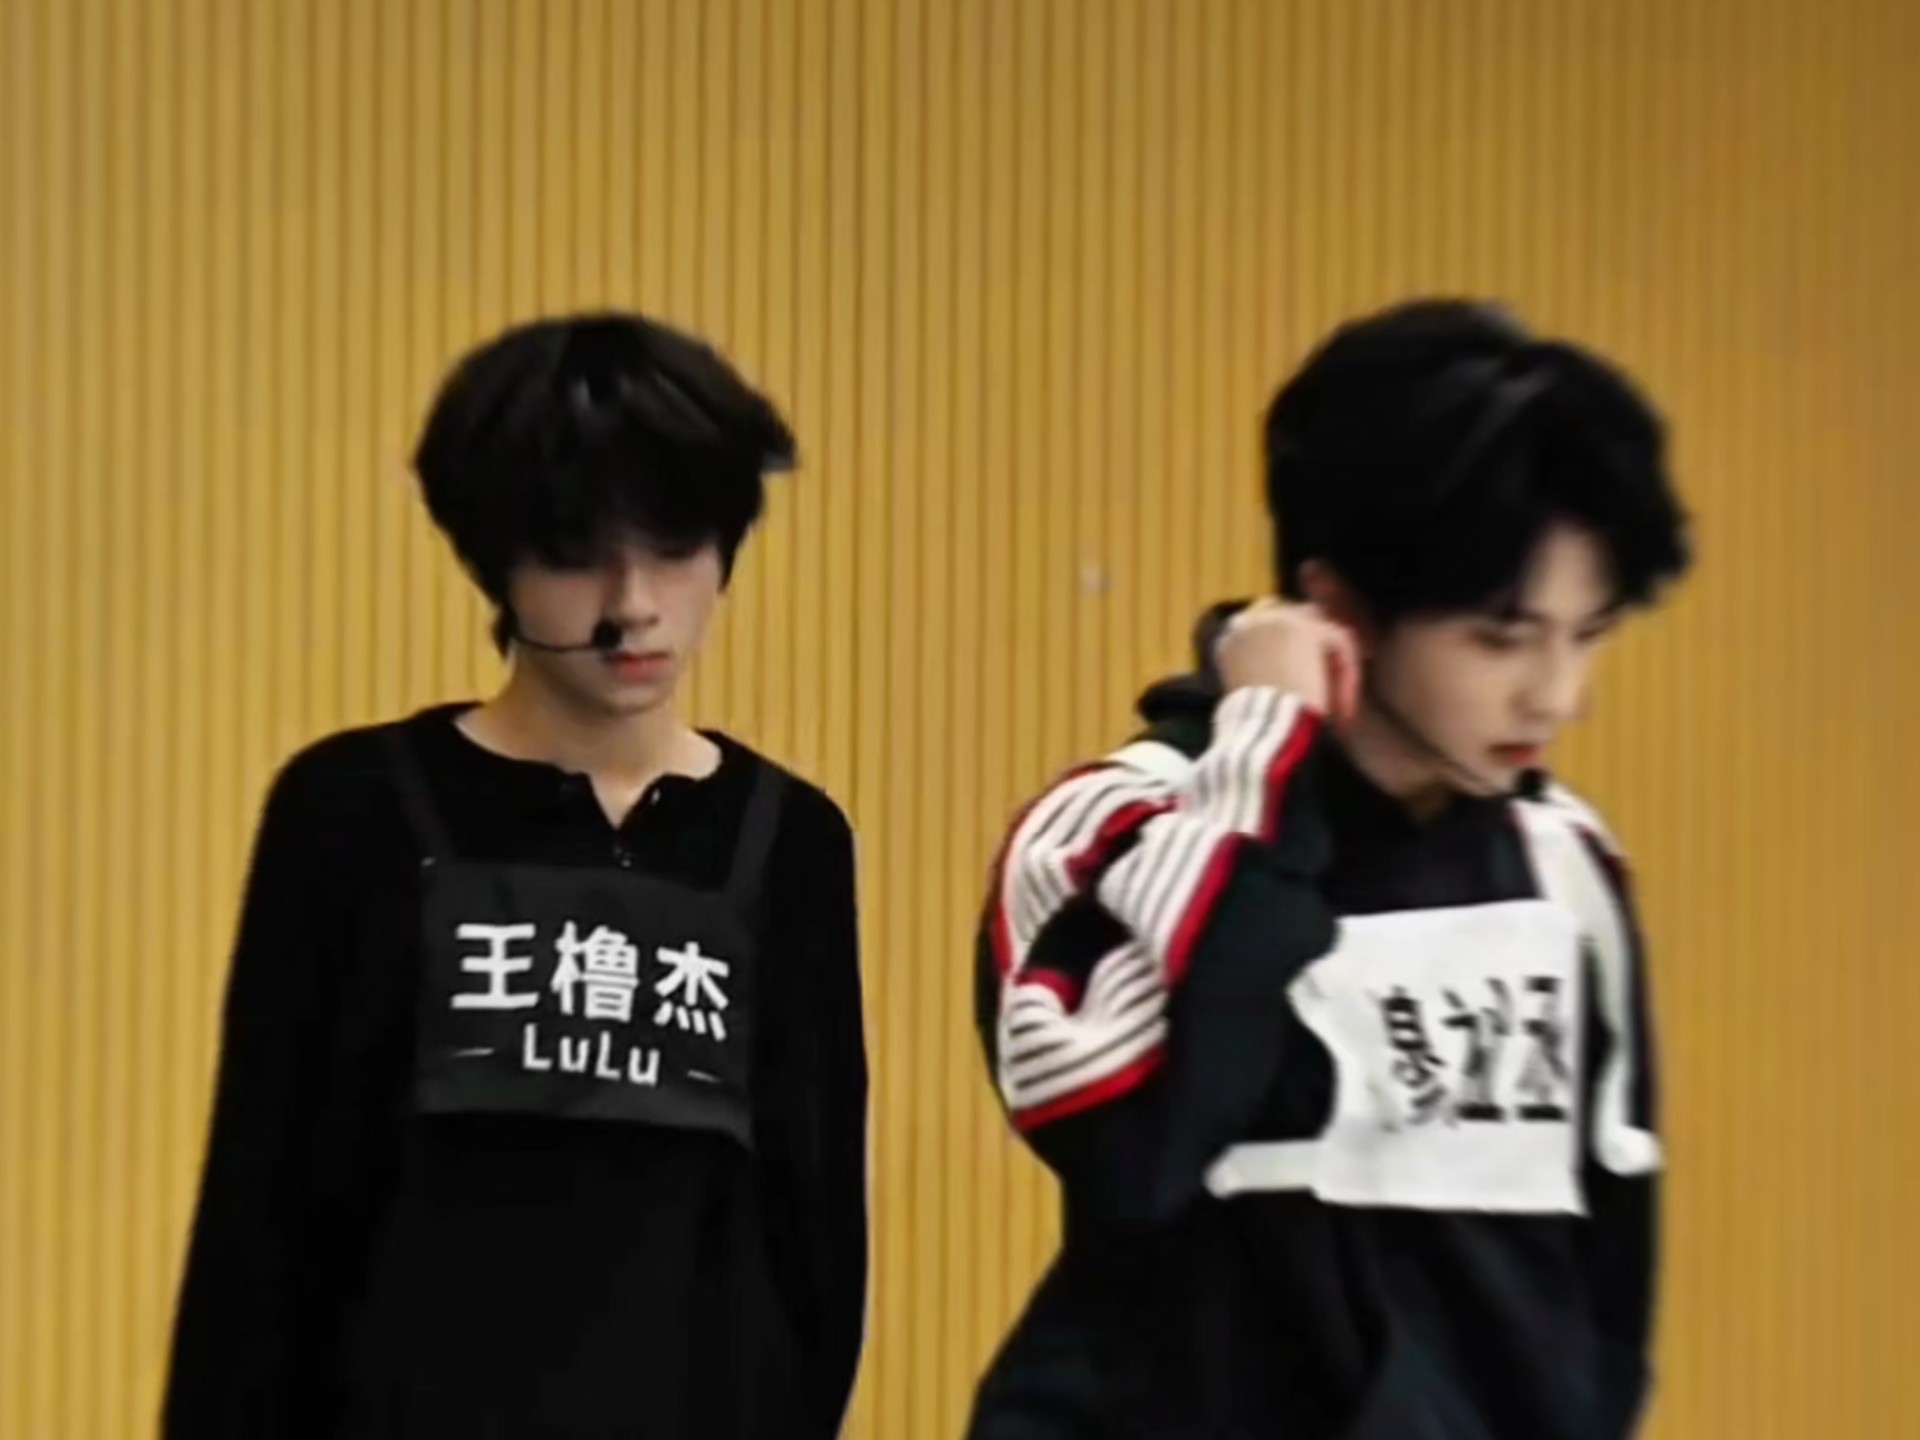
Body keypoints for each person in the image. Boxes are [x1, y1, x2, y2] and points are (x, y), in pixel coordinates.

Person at [968, 299, 1692, 1439]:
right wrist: (1262, 768)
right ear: (1339, 601)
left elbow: (1606, 1277)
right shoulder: (1121, 821)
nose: (1558, 694)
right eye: (1500, 638)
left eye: (1586, 633)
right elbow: (1129, 1148)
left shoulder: (1564, 864)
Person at [164, 312, 869, 1439]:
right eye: (576, 552)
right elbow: (258, 1219)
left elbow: (815, 1236)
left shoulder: (790, 841)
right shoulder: (351, 812)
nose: (632, 604)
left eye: (675, 547)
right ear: (497, 559)